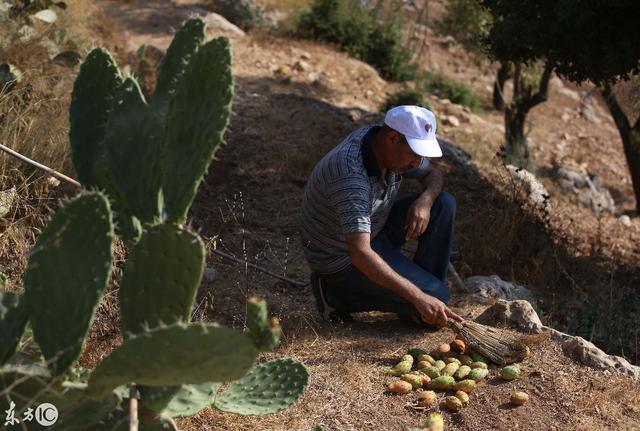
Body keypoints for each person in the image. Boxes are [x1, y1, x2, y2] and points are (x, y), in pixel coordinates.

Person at [298, 105, 462, 327]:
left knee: (443, 203)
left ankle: (423, 303)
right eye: (415, 153)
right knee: (434, 298)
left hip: (373, 229)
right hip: (341, 257)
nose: (417, 162)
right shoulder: (350, 176)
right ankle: (333, 295)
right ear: (393, 138)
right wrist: (418, 297)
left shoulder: (383, 143)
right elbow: (359, 251)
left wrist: (425, 201)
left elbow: (433, 174)